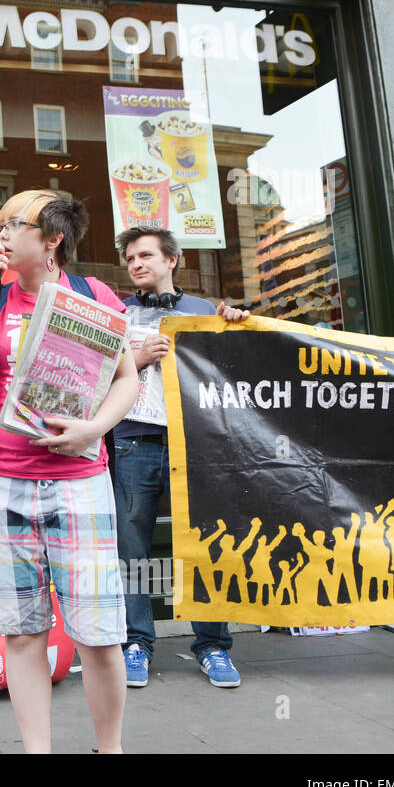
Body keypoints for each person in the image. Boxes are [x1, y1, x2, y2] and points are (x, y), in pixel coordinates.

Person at [0, 189, 139, 754]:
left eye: (13, 225)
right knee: (24, 632)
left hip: (80, 484)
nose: (0, 235)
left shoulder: (90, 294)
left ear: (52, 238)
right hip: (4, 485)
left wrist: (94, 428)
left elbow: (127, 378)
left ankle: (111, 748)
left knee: (100, 636)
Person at [112, 224, 249, 689]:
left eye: (146, 255)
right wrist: (136, 356)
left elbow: (234, 369)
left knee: (206, 543)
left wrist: (234, 325)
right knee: (132, 547)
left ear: (173, 260)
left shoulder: (205, 310)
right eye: (130, 259)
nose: (136, 264)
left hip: (197, 444)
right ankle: (136, 643)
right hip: (133, 441)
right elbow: (90, 373)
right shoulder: (114, 311)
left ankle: (212, 646)